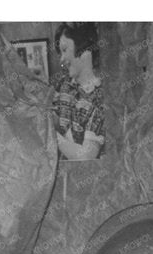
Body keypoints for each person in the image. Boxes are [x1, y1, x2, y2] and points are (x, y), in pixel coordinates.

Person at [53, 22, 105, 161]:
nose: (61, 60)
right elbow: (53, 119)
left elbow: (86, 156)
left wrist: (53, 136)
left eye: (64, 50)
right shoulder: (63, 86)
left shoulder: (101, 97)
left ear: (84, 51)